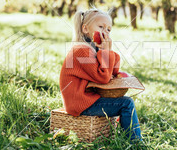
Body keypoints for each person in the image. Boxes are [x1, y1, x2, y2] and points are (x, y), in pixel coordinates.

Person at [59, 8, 143, 142]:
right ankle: (136, 143)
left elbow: (113, 72)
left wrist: (107, 50)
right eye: (101, 27)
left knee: (125, 101)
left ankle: (127, 136)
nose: (105, 31)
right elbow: (103, 78)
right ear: (86, 29)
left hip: (88, 99)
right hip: (80, 103)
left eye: (109, 29)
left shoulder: (93, 49)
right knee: (127, 104)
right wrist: (106, 51)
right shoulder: (81, 50)